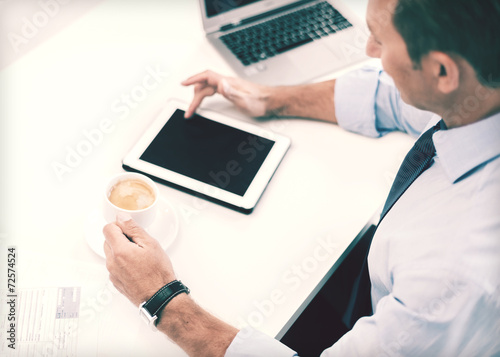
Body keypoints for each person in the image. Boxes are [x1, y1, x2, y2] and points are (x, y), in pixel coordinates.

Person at [103, 0, 500, 355]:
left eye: (380, 40)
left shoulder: (457, 275)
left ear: (443, 71)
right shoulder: (478, 94)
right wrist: (270, 99)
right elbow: (389, 97)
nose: (368, 51)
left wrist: (163, 302)